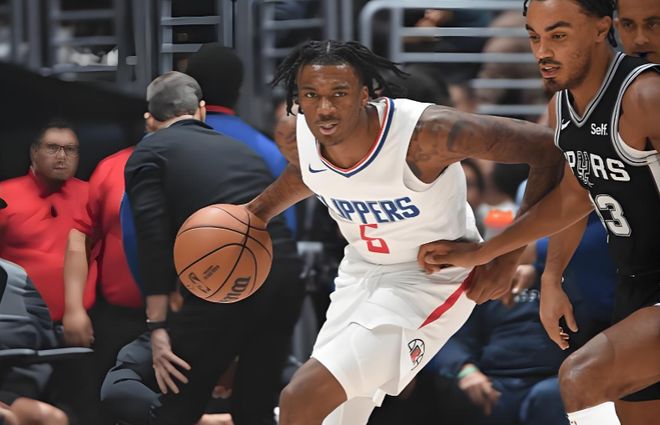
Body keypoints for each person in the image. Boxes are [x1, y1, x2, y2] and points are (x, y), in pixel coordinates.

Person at [240, 40, 563, 425]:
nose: (324, 108)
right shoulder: (296, 136)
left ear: (364, 95)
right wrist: (255, 213)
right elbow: (311, 174)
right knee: (334, 418)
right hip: (360, 274)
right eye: (311, 95)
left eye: (339, 93)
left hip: (429, 279)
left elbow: (547, 149)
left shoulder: (427, 134)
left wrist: (505, 258)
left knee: (300, 397)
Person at [421, 1, 660, 424]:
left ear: (601, 29)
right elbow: (574, 196)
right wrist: (548, 277)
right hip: (635, 281)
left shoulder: (646, 96)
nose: (543, 51)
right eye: (535, 37)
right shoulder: (561, 108)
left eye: (558, 35)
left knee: (581, 378)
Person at [124, 71, 304, 425]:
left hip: (222, 282)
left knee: (174, 408)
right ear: (201, 111)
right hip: (283, 278)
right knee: (254, 411)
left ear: (150, 120)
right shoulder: (244, 149)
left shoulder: (149, 151)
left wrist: (157, 327)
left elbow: (151, 236)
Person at [62, 145, 146, 425]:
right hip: (121, 317)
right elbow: (80, 237)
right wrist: (74, 307)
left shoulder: (201, 162)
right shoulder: (112, 167)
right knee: (108, 405)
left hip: (187, 317)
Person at [184, 43, 297, 234]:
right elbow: (286, 230)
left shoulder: (158, 146)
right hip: (249, 250)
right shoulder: (269, 152)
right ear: (239, 91)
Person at [0, 121, 96, 322]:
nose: (62, 157)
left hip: (86, 320)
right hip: (20, 321)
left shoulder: (92, 195)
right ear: (34, 152)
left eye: (70, 149)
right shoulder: (5, 195)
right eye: (52, 148)